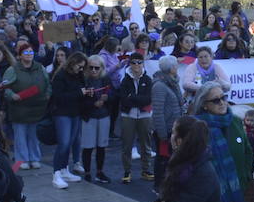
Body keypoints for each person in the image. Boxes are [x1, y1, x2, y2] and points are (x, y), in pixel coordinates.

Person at [1, 43, 50, 169]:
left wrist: (47, 94)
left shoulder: (40, 67)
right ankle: (22, 159)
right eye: (26, 53)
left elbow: (47, 83)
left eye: (31, 52)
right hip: (19, 109)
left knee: (33, 135)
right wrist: (12, 95)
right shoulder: (12, 69)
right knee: (20, 135)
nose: (29, 55)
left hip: (36, 108)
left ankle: (34, 158)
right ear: (20, 56)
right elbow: (5, 87)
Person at [47, 52, 86, 189]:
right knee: (63, 143)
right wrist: (80, 93)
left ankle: (64, 170)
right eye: (79, 67)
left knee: (69, 142)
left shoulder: (79, 75)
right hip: (62, 113)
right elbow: (59, 96)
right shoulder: (61, 76)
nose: (81, 69)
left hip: (75, 112)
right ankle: (56, 173)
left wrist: (86, 92)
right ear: (73, 63)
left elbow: (81, 90)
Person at [117, 54, 155, 183]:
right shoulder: (125, 80)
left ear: (143, 63)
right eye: (134, 62)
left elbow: (148, 99)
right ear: (130, 64)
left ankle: (146, 169)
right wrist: (138, 99)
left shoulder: (148, 79)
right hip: (128, 115)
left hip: (144, 115)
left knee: (146, 143)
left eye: (139, 62)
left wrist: (132, 97)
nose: (137, 65)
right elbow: (123, 100)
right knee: (127, 144)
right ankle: (127, 171)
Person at [149, 55, 184, 192]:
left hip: (174, 129)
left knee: (171, 159)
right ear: (171, 69)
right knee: (162, 159)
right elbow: (158, 112)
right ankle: (159, 186)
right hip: (166, 131)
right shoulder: (159, 86)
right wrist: (162, 134)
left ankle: (169, 185)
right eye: (175, 65)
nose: (177, 68)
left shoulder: (172, 83)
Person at [79, 54, 114, 183]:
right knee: (87, 146)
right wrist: (92, 103)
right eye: (91, 67)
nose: (93, 70)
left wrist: (108, 97)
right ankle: (87, 172)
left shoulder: (106, 79)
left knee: (101, 146)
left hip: (104, 116)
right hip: (89, 117)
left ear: (102, 68)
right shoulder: (83, 80)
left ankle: (100, 171)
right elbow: (78, 101)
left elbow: (113, 94)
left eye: (96, 68)